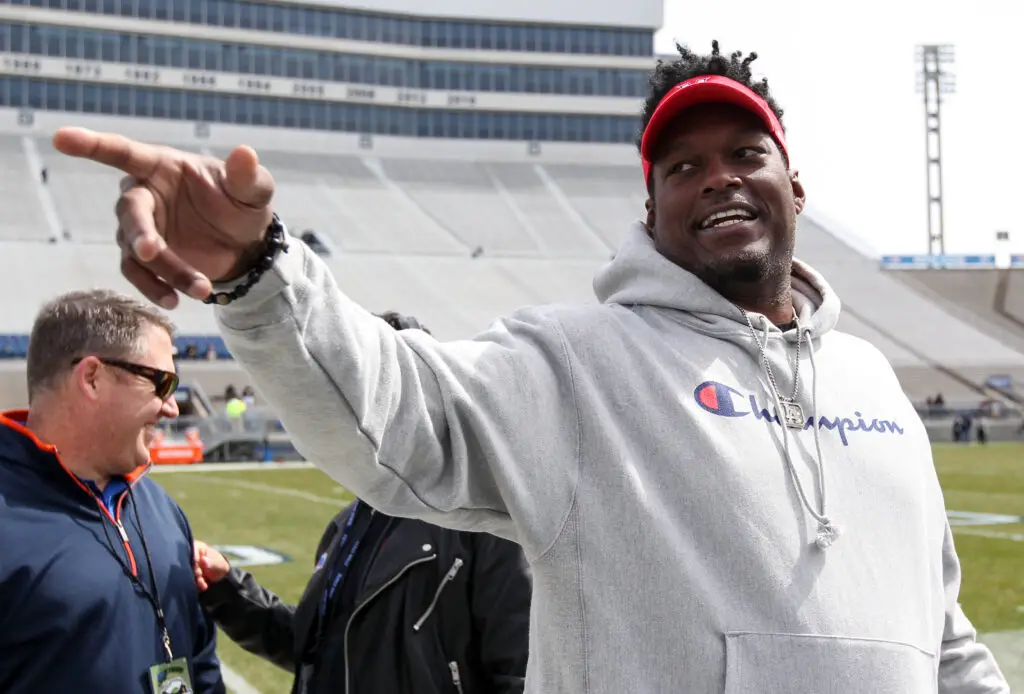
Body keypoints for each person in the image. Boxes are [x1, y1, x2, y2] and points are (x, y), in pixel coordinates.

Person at [54, 40, 1008, 693]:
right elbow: (400, 409)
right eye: (681, 168)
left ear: (792, 183)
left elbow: (945, 631)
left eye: (744, 152)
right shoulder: (581, 363)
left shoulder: (873, 383)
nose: (716, 175)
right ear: (650, 213)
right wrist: (261, 273)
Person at [194, 313, 530, 694]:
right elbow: (320, 651)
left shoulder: (483, 522)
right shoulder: (351, 521)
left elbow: (518, 677)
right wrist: (228, 591)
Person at [0, 289, 225, 694]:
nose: (172, 407)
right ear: (92, 377)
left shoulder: (160, 508)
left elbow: (200, 658)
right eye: (161, 382)